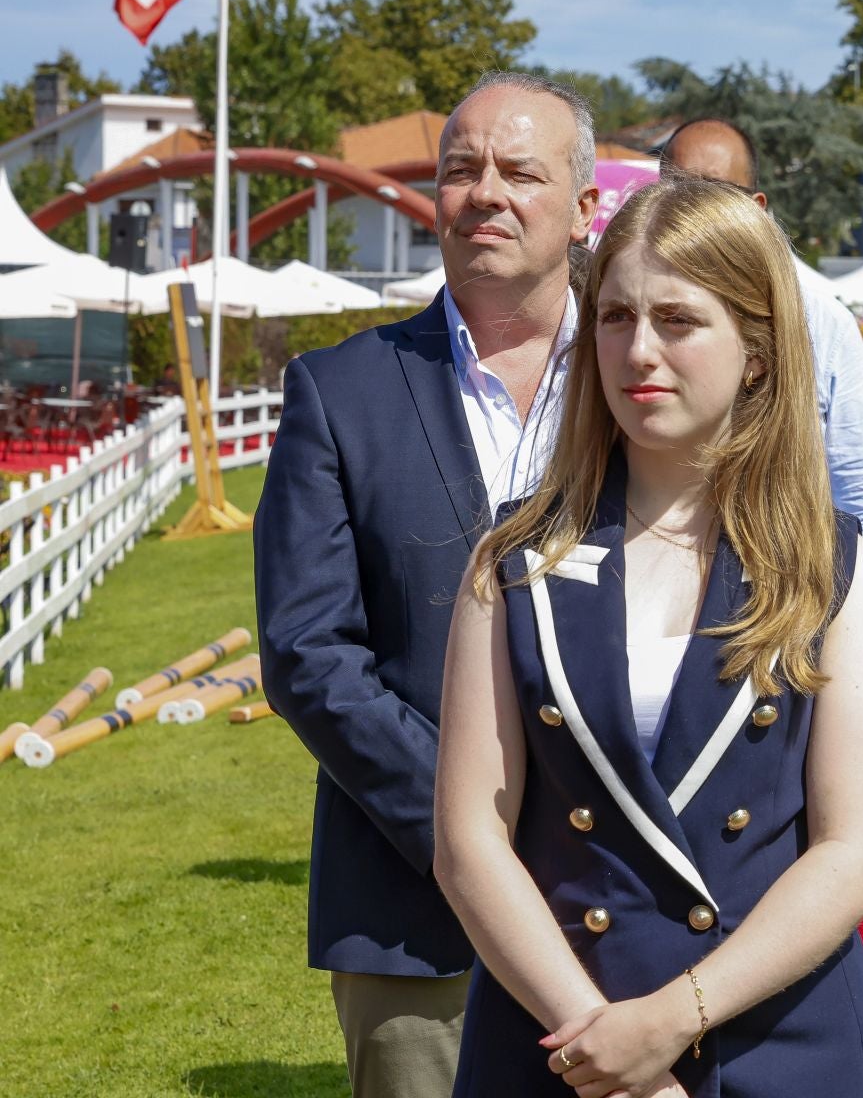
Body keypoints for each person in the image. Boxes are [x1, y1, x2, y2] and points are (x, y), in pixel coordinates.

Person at [434, 176, 863, 1098]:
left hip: (778, 1040)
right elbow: (470, 843)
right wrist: (608, 1055)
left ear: (759, 351)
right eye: (614, 316)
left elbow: (852, 857)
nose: (638, 351)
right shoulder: (515, 557)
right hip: (558, 1039)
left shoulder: (837, 568)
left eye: (679, 320)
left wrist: (670, 1019)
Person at [257, 71, 598, 1097]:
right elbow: (309, 654)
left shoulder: (644, 383)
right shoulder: (341, 392)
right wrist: (475, 836)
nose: (485, 191)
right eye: (461, 169)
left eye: (520, 170)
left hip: (623, 904)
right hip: (415, 925)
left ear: (585, 208)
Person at [658, 117, 863, 599]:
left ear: (756, 207)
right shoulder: (625, 314)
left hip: (786, 598)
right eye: (676, 186)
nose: (691, 206)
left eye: (712, 190)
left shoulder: (821, 320)